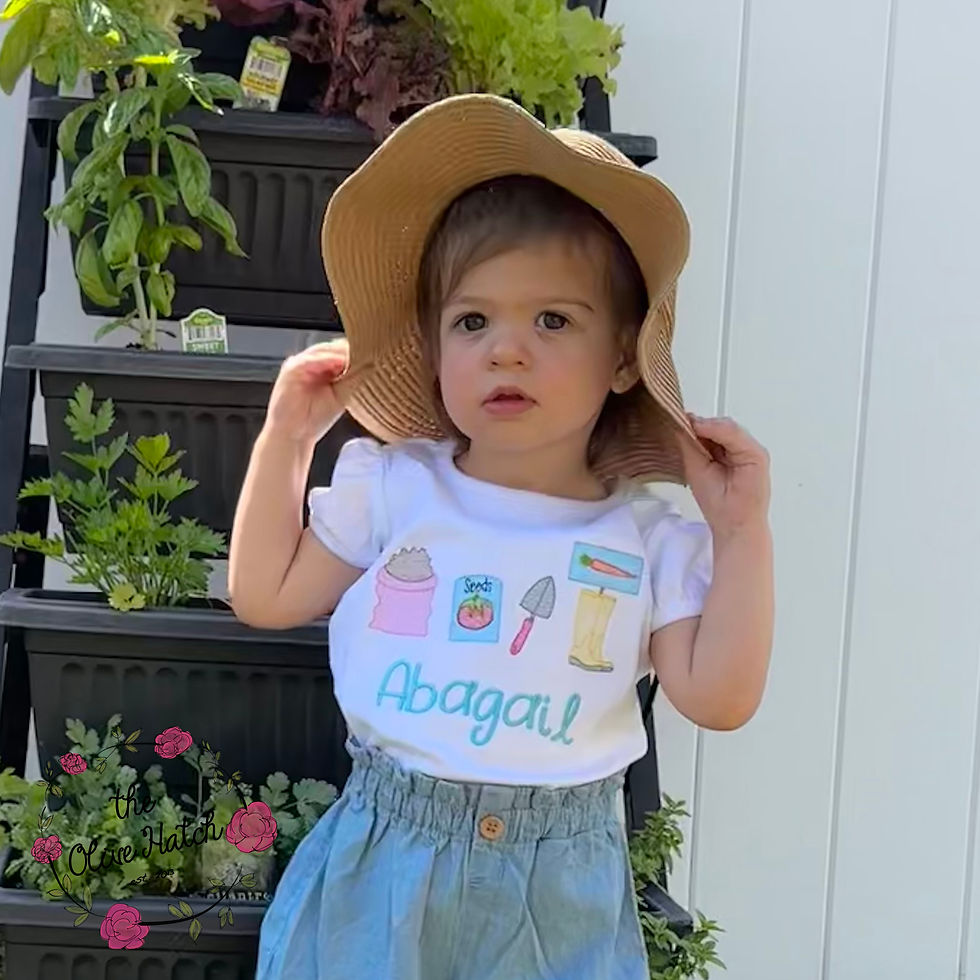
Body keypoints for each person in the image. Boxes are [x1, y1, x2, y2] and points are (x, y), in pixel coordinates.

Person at [229, 93, 774, 980]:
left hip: (560, 888)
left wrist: (741, 530)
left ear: (625, 356)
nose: (505, 350)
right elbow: (265, 595)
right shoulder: (397, 484)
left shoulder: (644, 536)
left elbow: (719, 698)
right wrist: (288, 438)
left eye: (552, 320)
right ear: (435, 346)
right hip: (385, 867)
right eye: (471, 321)